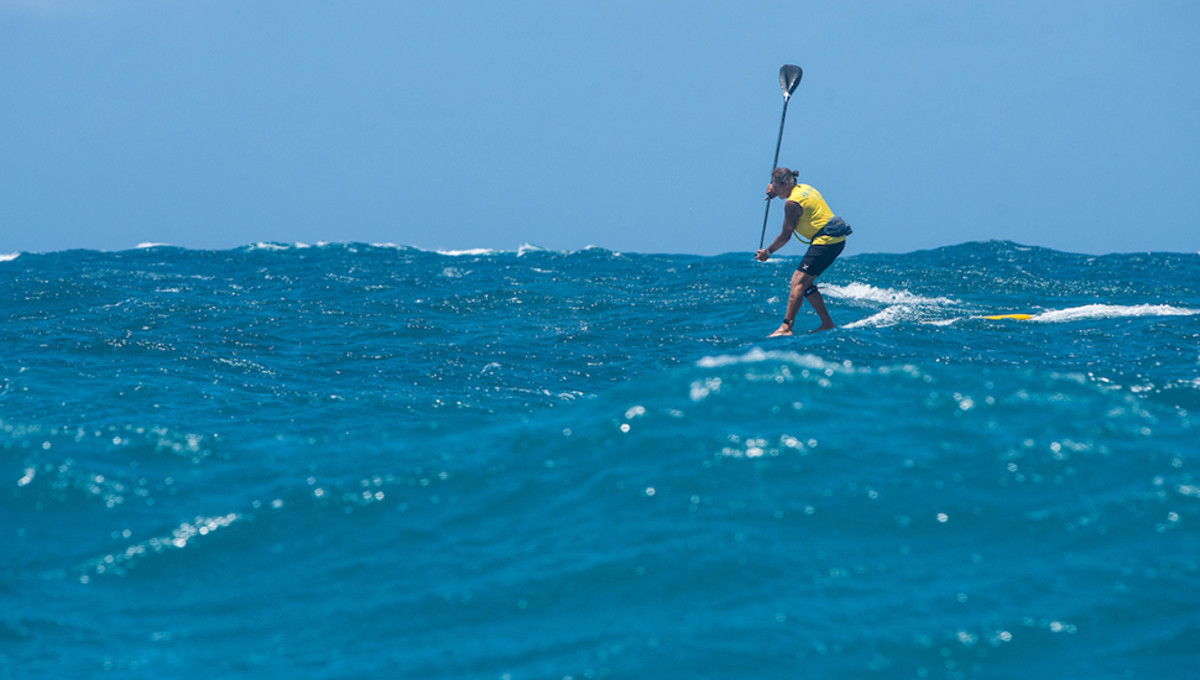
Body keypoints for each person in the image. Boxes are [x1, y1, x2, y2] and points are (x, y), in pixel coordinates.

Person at [755, 167, 850, 336]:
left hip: (826, 242)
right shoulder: (805, 188)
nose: (773, 189)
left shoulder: (791, 203)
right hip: (835, 240)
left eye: (775, 186)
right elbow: (791, 195)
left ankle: (786, 327)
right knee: (804, 284)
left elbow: (786, 235)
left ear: (785, 184)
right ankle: (827, 323)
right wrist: (776, 192)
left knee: (797, 281)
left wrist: (767, 253)